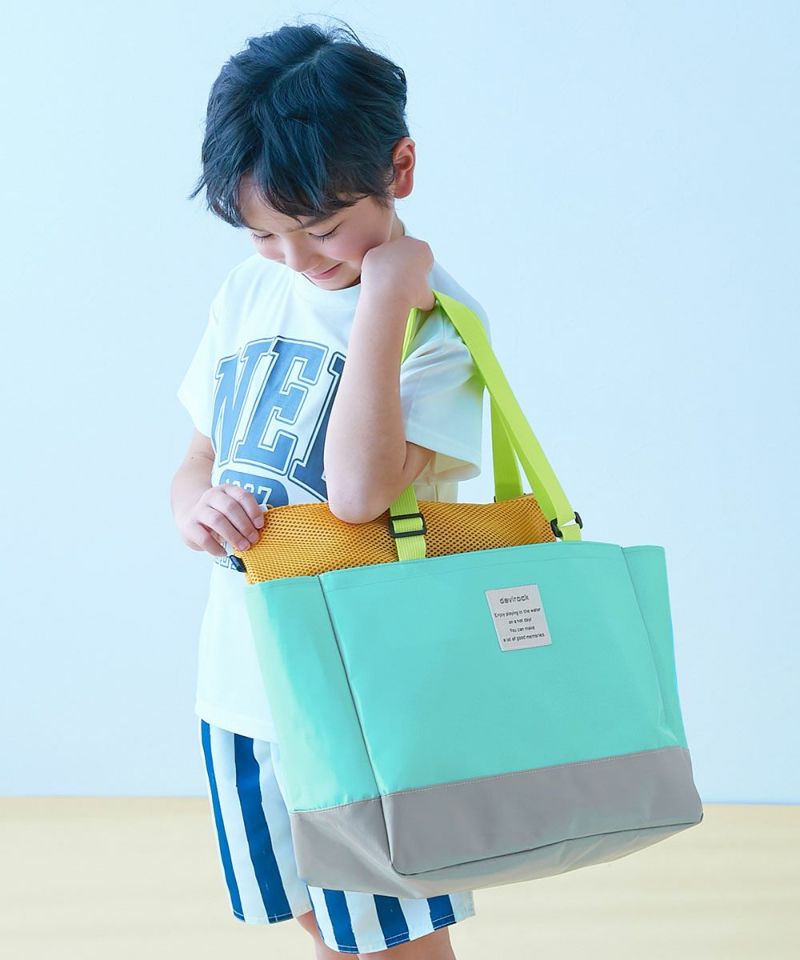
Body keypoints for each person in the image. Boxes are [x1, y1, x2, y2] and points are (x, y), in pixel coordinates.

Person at [171, 17, 490, 959]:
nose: (296, 258)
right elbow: (197, 457)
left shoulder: (438, 328)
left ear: (400, 168)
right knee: (329, 932)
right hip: (241, 682)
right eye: (264, 233)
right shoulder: (249, 291)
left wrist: (384, 295)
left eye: (321, 229)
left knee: (395, 939)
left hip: (365, 701)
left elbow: (357, 494)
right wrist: (195, 508)